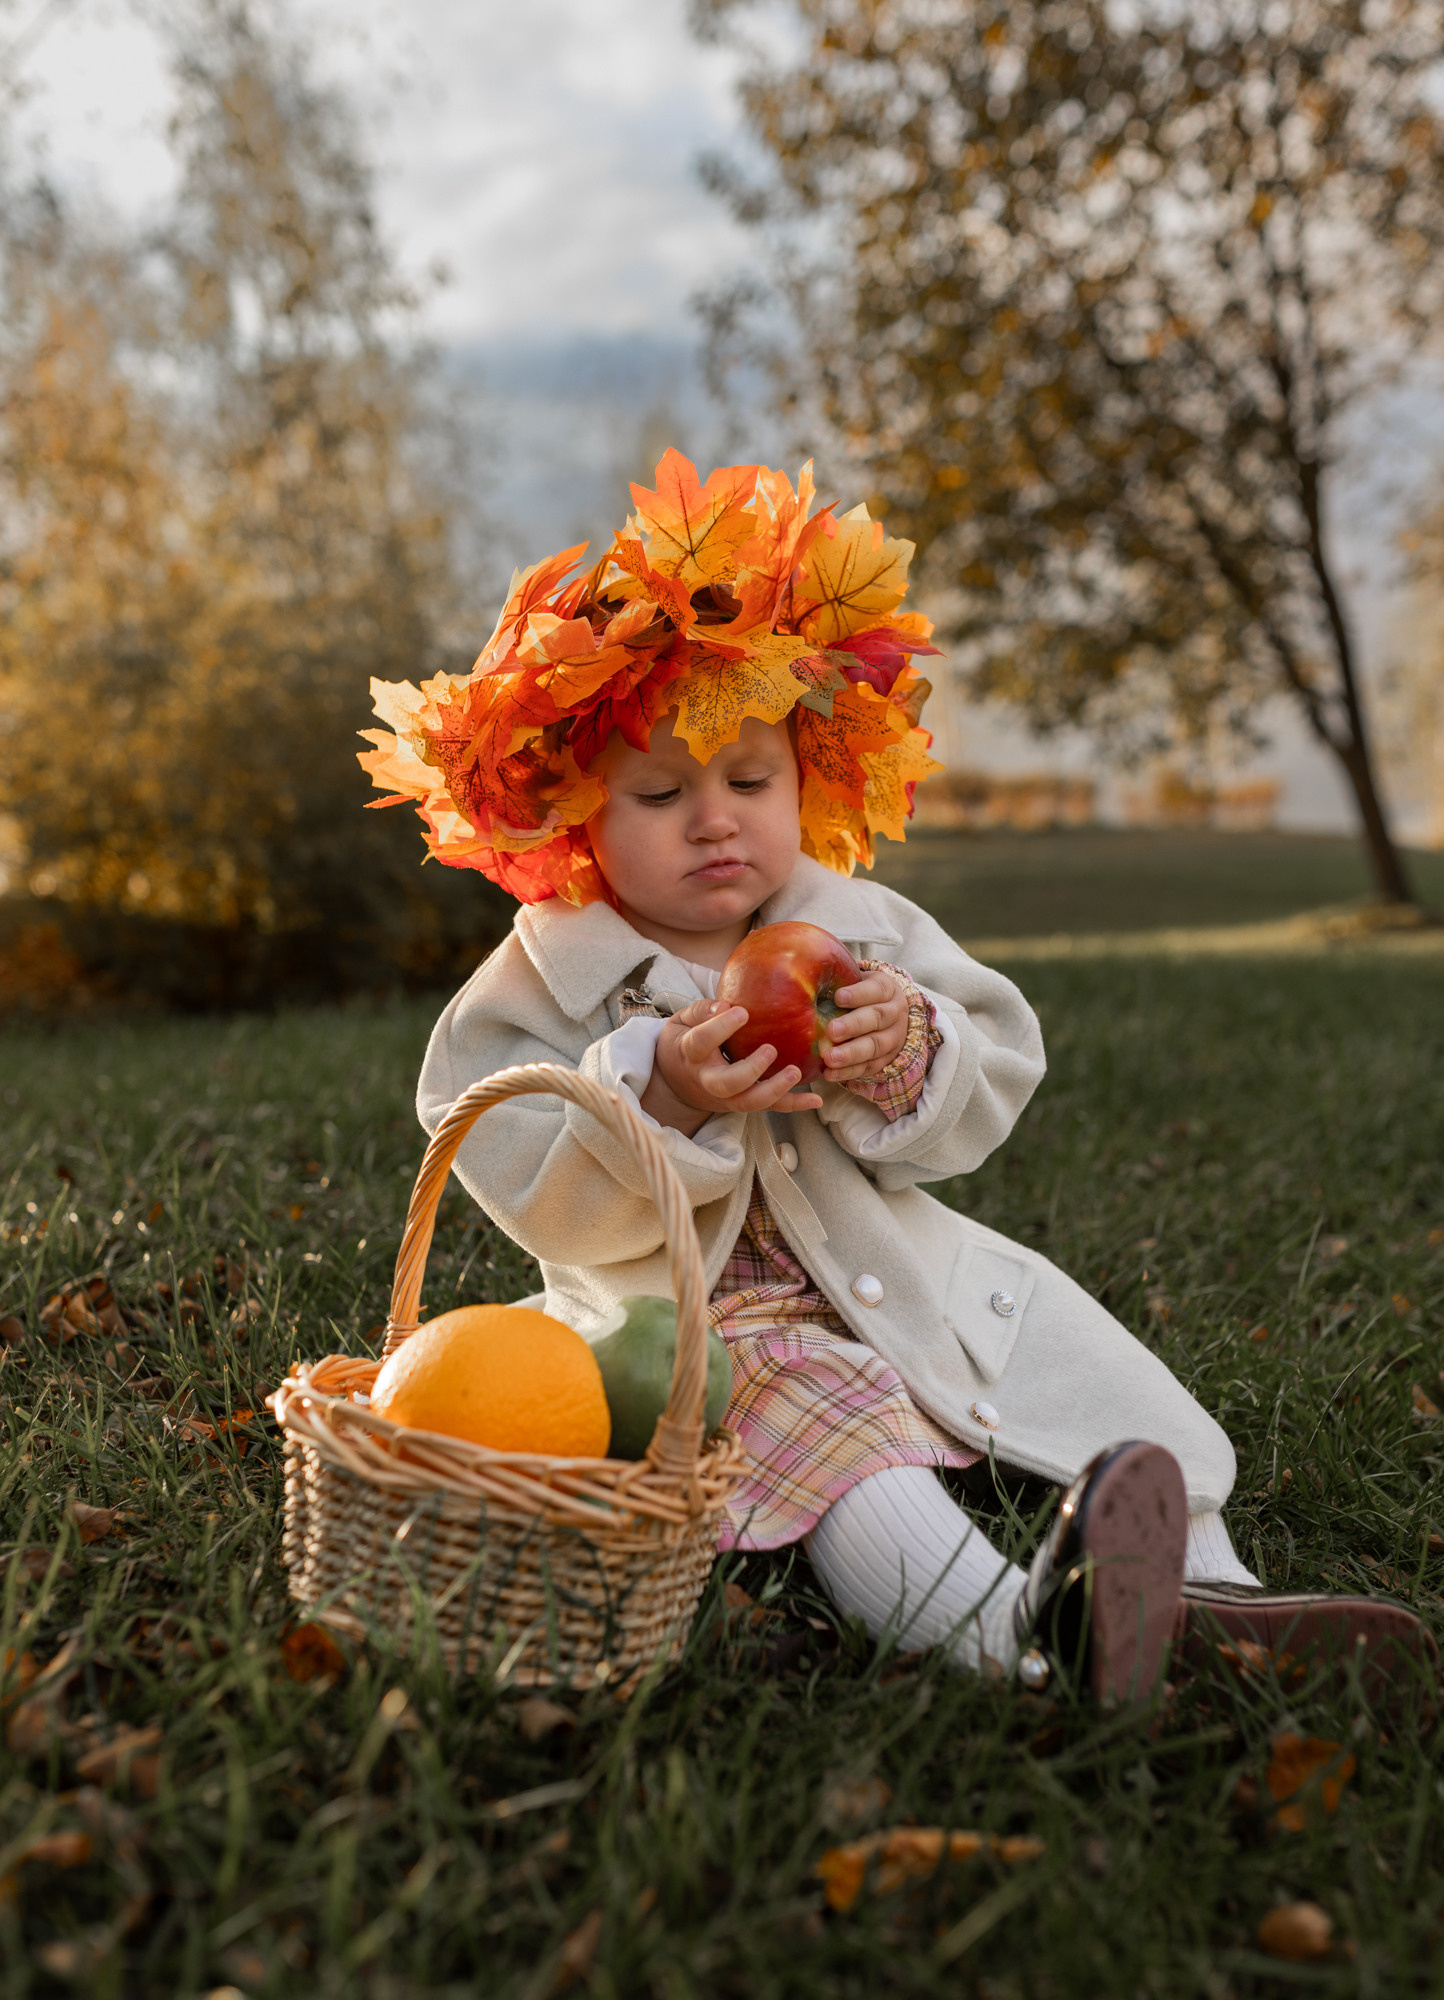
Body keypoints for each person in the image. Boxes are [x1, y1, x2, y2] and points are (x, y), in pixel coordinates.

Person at [363, 451, 1427, 1701]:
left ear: (807, 776)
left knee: (1107, 1394)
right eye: (660, 791)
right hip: (704, 1324)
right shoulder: (544, 978)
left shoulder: (854, 928)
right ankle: (1015, 1645)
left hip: (897, 1270)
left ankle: (1221, 1598)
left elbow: (992, 1066)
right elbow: (512, 1157)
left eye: (750, 780)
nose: (715, 818)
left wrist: (908, 1047)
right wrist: (659, 1092)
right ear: (572, 818)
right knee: (839, 1431)